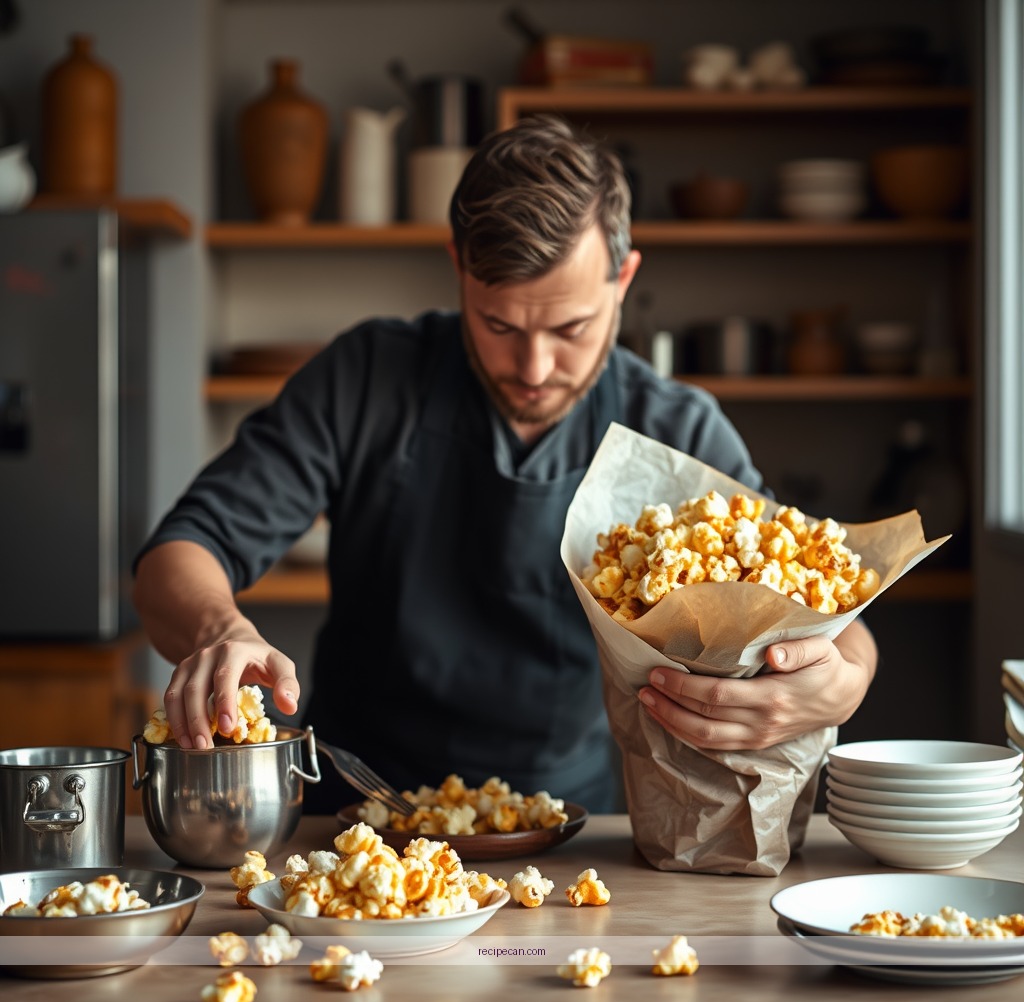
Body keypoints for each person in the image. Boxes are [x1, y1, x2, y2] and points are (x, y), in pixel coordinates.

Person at [132, 114, 878, 815]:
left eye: (571, 327)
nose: (534, 366)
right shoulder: (365, 378)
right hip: (353, 814)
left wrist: (838, 687)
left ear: (623, 281)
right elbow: (182, 551)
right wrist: (218, 632)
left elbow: (838, 615)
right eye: (498, 325)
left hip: (578, 824)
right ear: (457, 267)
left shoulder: (675, 427)